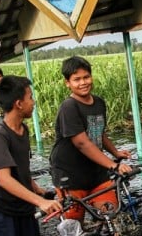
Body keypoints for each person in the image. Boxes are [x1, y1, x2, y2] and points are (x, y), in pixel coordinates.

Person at [0, 75, 62, 236]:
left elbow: (21, 171)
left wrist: (40, 191)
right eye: (30, 97)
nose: (33, 101)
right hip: (2, 210)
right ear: (18, 103)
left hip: (23, 207)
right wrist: (41, 202)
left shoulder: (23, 130)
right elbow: (5, 180)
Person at [49, 56, 132, 223]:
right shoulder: (69, 107)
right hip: (70, 175)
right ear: (68, 83)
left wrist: (115, 152)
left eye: (86, 77)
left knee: (111, 217)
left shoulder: (99, 103)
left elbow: (98, 133)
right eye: (76, 79)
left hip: (96, 171)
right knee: (74, 227)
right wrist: (113, 165)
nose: (83, 83)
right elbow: (82, 142)